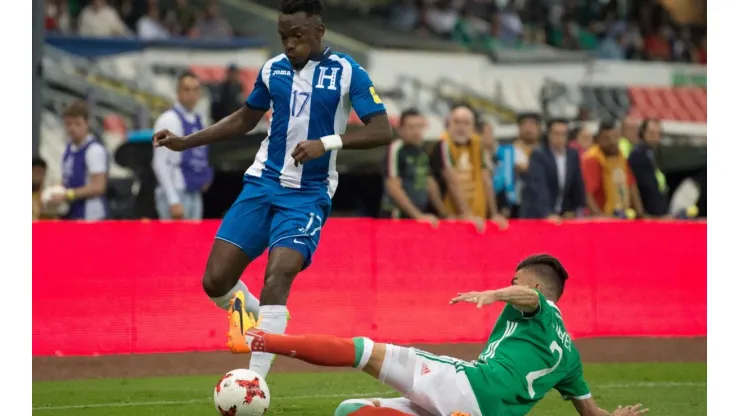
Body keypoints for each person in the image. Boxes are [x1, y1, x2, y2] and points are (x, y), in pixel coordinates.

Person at [152, 0, 393, 379]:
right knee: (215, 281)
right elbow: (244, 119)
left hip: (308, 193)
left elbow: (382, 130)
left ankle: (254, 378)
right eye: (283, 36)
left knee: (278, 274)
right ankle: (248, 309)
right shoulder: (272, 69)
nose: (289, 44)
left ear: (318, 31)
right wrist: (186, 142)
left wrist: (326, 143)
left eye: (296, 35)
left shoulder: (348, 72)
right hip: (262, 183)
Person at [226, 254, 647, 416]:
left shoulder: (540, 307)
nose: (510, 286)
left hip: (472, 385)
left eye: (515, 279)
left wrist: (494, 292)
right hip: (483, 412)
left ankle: (258, 338)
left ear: (535, 287)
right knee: (349, 410)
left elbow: (526, 296)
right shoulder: (570, 356)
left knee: (365, 351)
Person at [429, 105, 505, 229]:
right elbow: (452, 182)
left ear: (473, 127)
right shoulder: (443, 145)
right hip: (452, 219)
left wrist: (494, 214)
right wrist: (467, 214)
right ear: (449, 124)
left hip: (478, 217)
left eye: (466, 123)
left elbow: (486, 179)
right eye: (457, 122)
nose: (461, 127)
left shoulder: (478, 145)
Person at [152, 72, 213, 220]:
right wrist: (173, 200)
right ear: (178, 92)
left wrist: (205, 176)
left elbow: (202, 153)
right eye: (186, 89)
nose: (191, 94)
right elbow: (159, 163)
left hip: (194, 190)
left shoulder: (199, 120)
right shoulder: (168, 120)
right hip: (175, 190)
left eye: (195, 89)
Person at [379, 109, 448, 223]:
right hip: (397, 216)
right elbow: (393, 187)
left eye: (419, 126)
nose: (416, 131)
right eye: (411, 127)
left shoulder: (421, 151)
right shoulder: (396, 150)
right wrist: (417, 216)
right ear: (400, 129)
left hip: (417, 215)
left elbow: (430, 184)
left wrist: (445, 214)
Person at [50, 101, 109, 221]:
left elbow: (98, 186)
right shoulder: (69, 147)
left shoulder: (94, 150)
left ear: (87, 124)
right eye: (68, 124)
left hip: (90, 216)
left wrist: (68, 195)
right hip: (71, 213)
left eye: (77, 124)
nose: (72, 128)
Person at [521, 119, 586, 220]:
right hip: (539, 215)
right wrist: (547, 213)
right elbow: (539, 186)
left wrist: (576, 209)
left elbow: (577, 185)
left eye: (563, 134)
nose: (560, 138)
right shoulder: (539, 155)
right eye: (556, 134)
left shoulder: (572, 155)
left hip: (563, 214)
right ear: (549, 135)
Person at [581, 121, 645, 218]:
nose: (612, 141)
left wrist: (640, 214)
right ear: (598, 139)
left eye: (615, 137)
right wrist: (598, 216)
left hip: (622, 215)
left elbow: (632, 186)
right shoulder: (592, 159)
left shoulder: (620, 157)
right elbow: (586, 192)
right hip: (602, 217)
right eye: (606, 138)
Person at [628, 118, 669, 217]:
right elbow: (646, 187)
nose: (655, 136)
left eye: (657, 133)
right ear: (643, 133)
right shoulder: (639, 154)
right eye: (651, 133)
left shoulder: (653, 154)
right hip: (649, 212)